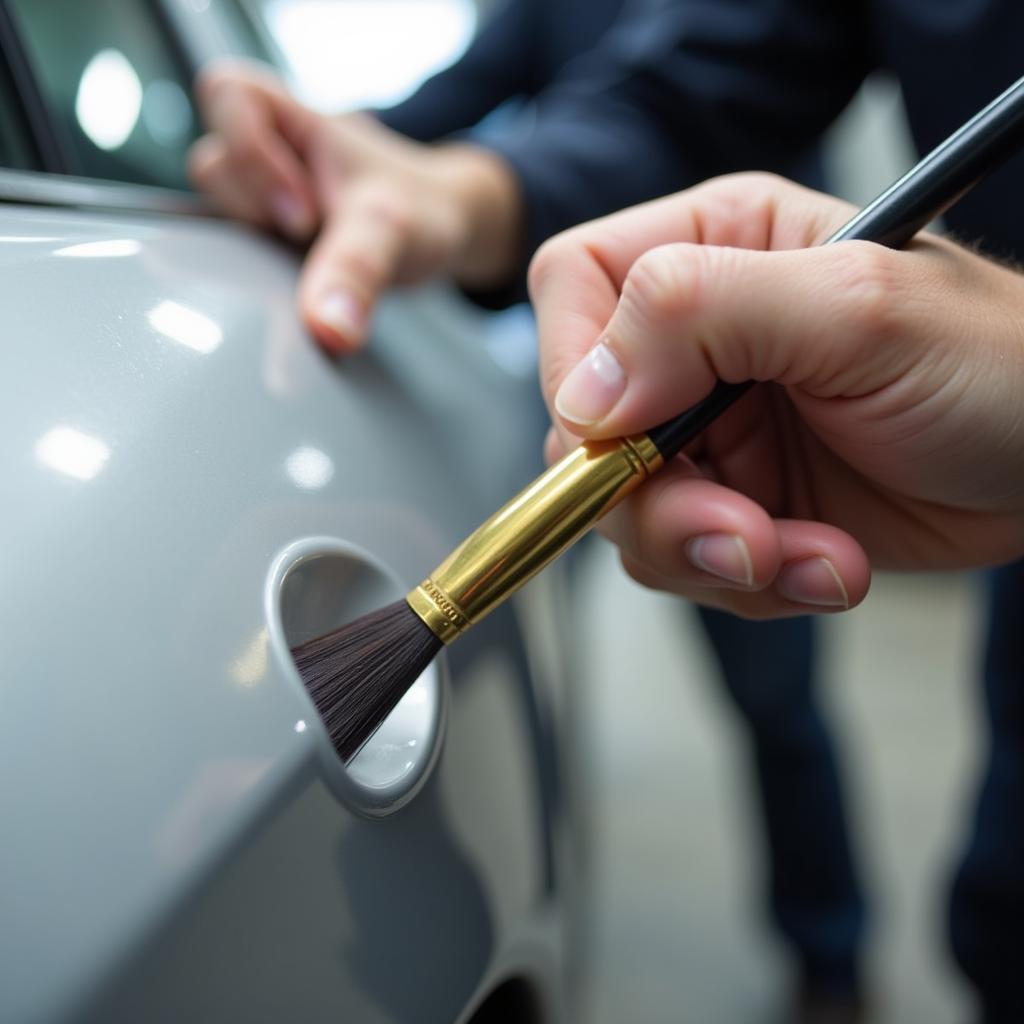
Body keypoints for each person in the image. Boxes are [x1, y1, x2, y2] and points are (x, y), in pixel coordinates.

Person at [187, 2, 1024, 1019]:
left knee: (776, 706)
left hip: (798, 392)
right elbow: (680, 97)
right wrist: (444, 191)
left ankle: (829, 957)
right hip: (732, 426)